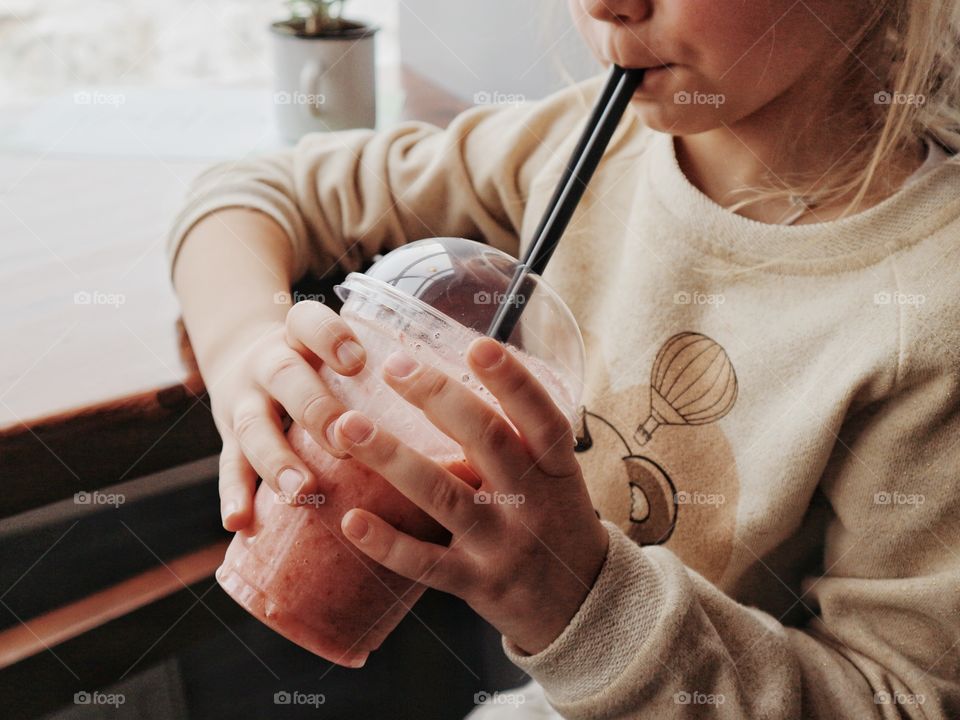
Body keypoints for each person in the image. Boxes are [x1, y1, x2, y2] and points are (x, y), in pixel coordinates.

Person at [167, 1, 960, 717]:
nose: (605, 6)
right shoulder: (580, 145)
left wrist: (578, 602)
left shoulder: (933, 307)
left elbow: (900, 700)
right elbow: (254, 193)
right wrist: (244, 347)